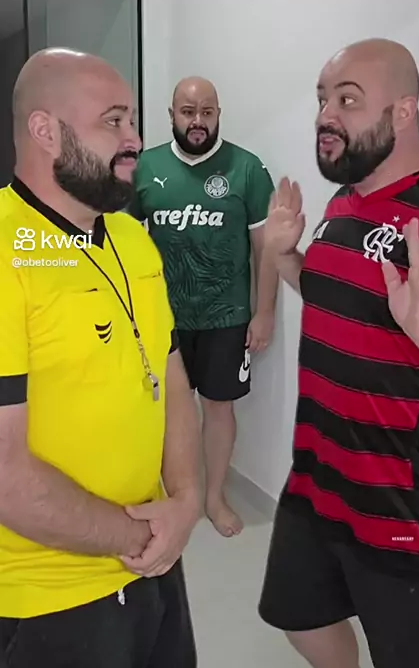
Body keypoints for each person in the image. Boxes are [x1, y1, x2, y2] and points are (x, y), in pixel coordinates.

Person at [258, 38, 419, 668]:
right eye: (322, 99)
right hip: (320, 485)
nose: (326, 115)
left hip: (417, 515)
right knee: (300, 621)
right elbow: (335, 297)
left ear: (403, 111)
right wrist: (286, 258)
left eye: (348, 100)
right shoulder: (343, 203)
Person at [0, 48, 200, 668]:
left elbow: (169, 375)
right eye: (113, 121)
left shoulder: (133, 238)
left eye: (132, 120)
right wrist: (143, 534)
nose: (134, 139)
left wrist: (188, 499)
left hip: (153, 568)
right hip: (47, 597)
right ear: (45, 130)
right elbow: (5, 475)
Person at [131, 76, 278, 537]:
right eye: (188, 111)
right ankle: (169, 497)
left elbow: (266, 247)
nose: (198, 121)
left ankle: (214, 497)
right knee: (163, 410)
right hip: (162, 318)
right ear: (171, 115)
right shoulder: (144, 168)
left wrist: (265, 312)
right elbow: (124, 244)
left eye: (207, 112)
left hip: (225, 316)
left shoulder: (247, 170)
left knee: (218, 408)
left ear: (218, 115)